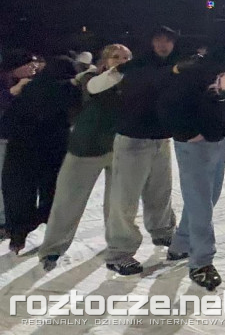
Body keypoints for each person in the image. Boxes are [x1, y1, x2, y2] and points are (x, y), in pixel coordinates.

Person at [158, 20, 225, 291]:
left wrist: (224, 125)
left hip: (219, 139)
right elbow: (167, 104)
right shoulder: (195, 68)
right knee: (200, 200)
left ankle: (180, 244)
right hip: (193, 143)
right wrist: (188, 133)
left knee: (210, 196)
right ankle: (201, 262)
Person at [89, 25, 180, 275]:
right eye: (158, 40)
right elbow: (94, 87)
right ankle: (119, 252)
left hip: (161, 140)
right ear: (149, 43)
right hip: (132, 141)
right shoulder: (133, 67)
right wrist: (113, 71)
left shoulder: (174, 67)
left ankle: (163, 233)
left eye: (168, 41)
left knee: (160, 192)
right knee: (125, 199)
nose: (163, 45)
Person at [38, 45, 131, 270]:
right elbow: (94, 88)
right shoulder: (91, 78)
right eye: (115, 57)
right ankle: (52, 249)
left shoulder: (133, 81)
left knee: (118, 205)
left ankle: (117, 248)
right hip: (85, 148)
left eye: (126, 58)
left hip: (120, 148)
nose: (121, 61)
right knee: (67, 202)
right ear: (105, 61)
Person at [0, 56, 81, 254]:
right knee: (52, 189)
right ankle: (47, 227)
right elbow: (75, 113)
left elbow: (10, 117)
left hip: (21, 144)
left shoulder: (27, 87)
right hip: (54, 146)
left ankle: (18, 233)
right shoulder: (69, 89)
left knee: (19, 191)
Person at [0, 50, 38, 240]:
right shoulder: (6, 82)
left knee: (18, 183)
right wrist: (15, 90)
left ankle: (14, 219)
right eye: (28, 64)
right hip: (3, 138)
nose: (33, 67)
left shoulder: (33, 84)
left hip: (23, 139)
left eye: (34, 64)